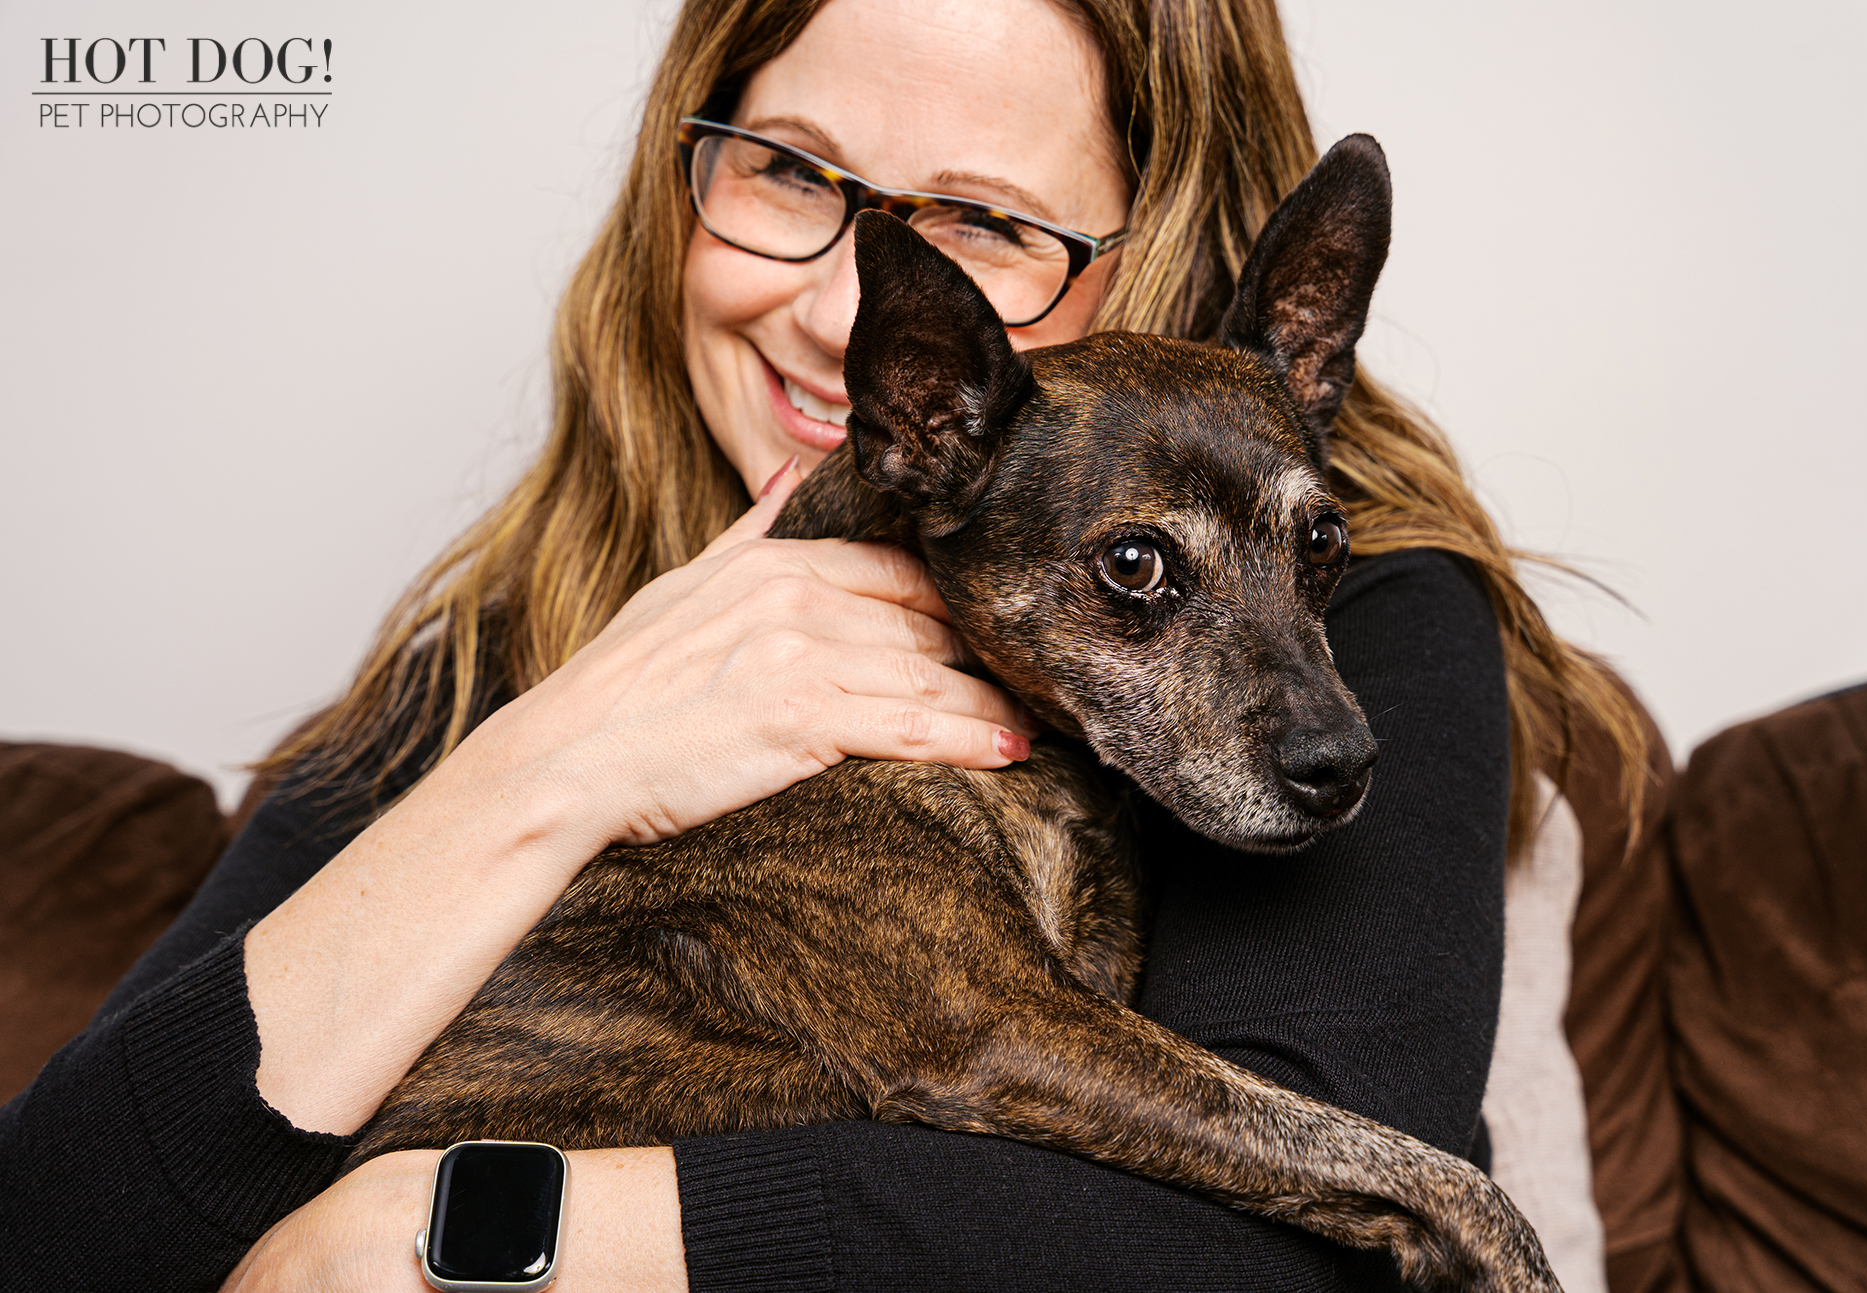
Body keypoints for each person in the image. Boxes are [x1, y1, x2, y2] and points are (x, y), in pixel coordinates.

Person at [0, 0, 1647, 1288]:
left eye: (981, 226)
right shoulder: (487, 666)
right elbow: (46, 1235)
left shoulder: (1351, 631)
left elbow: (1285, 1253)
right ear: (686, 173)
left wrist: (455, 1237)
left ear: (1160, 246)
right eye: (789, 169)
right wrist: (560, 754)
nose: (837, 311)